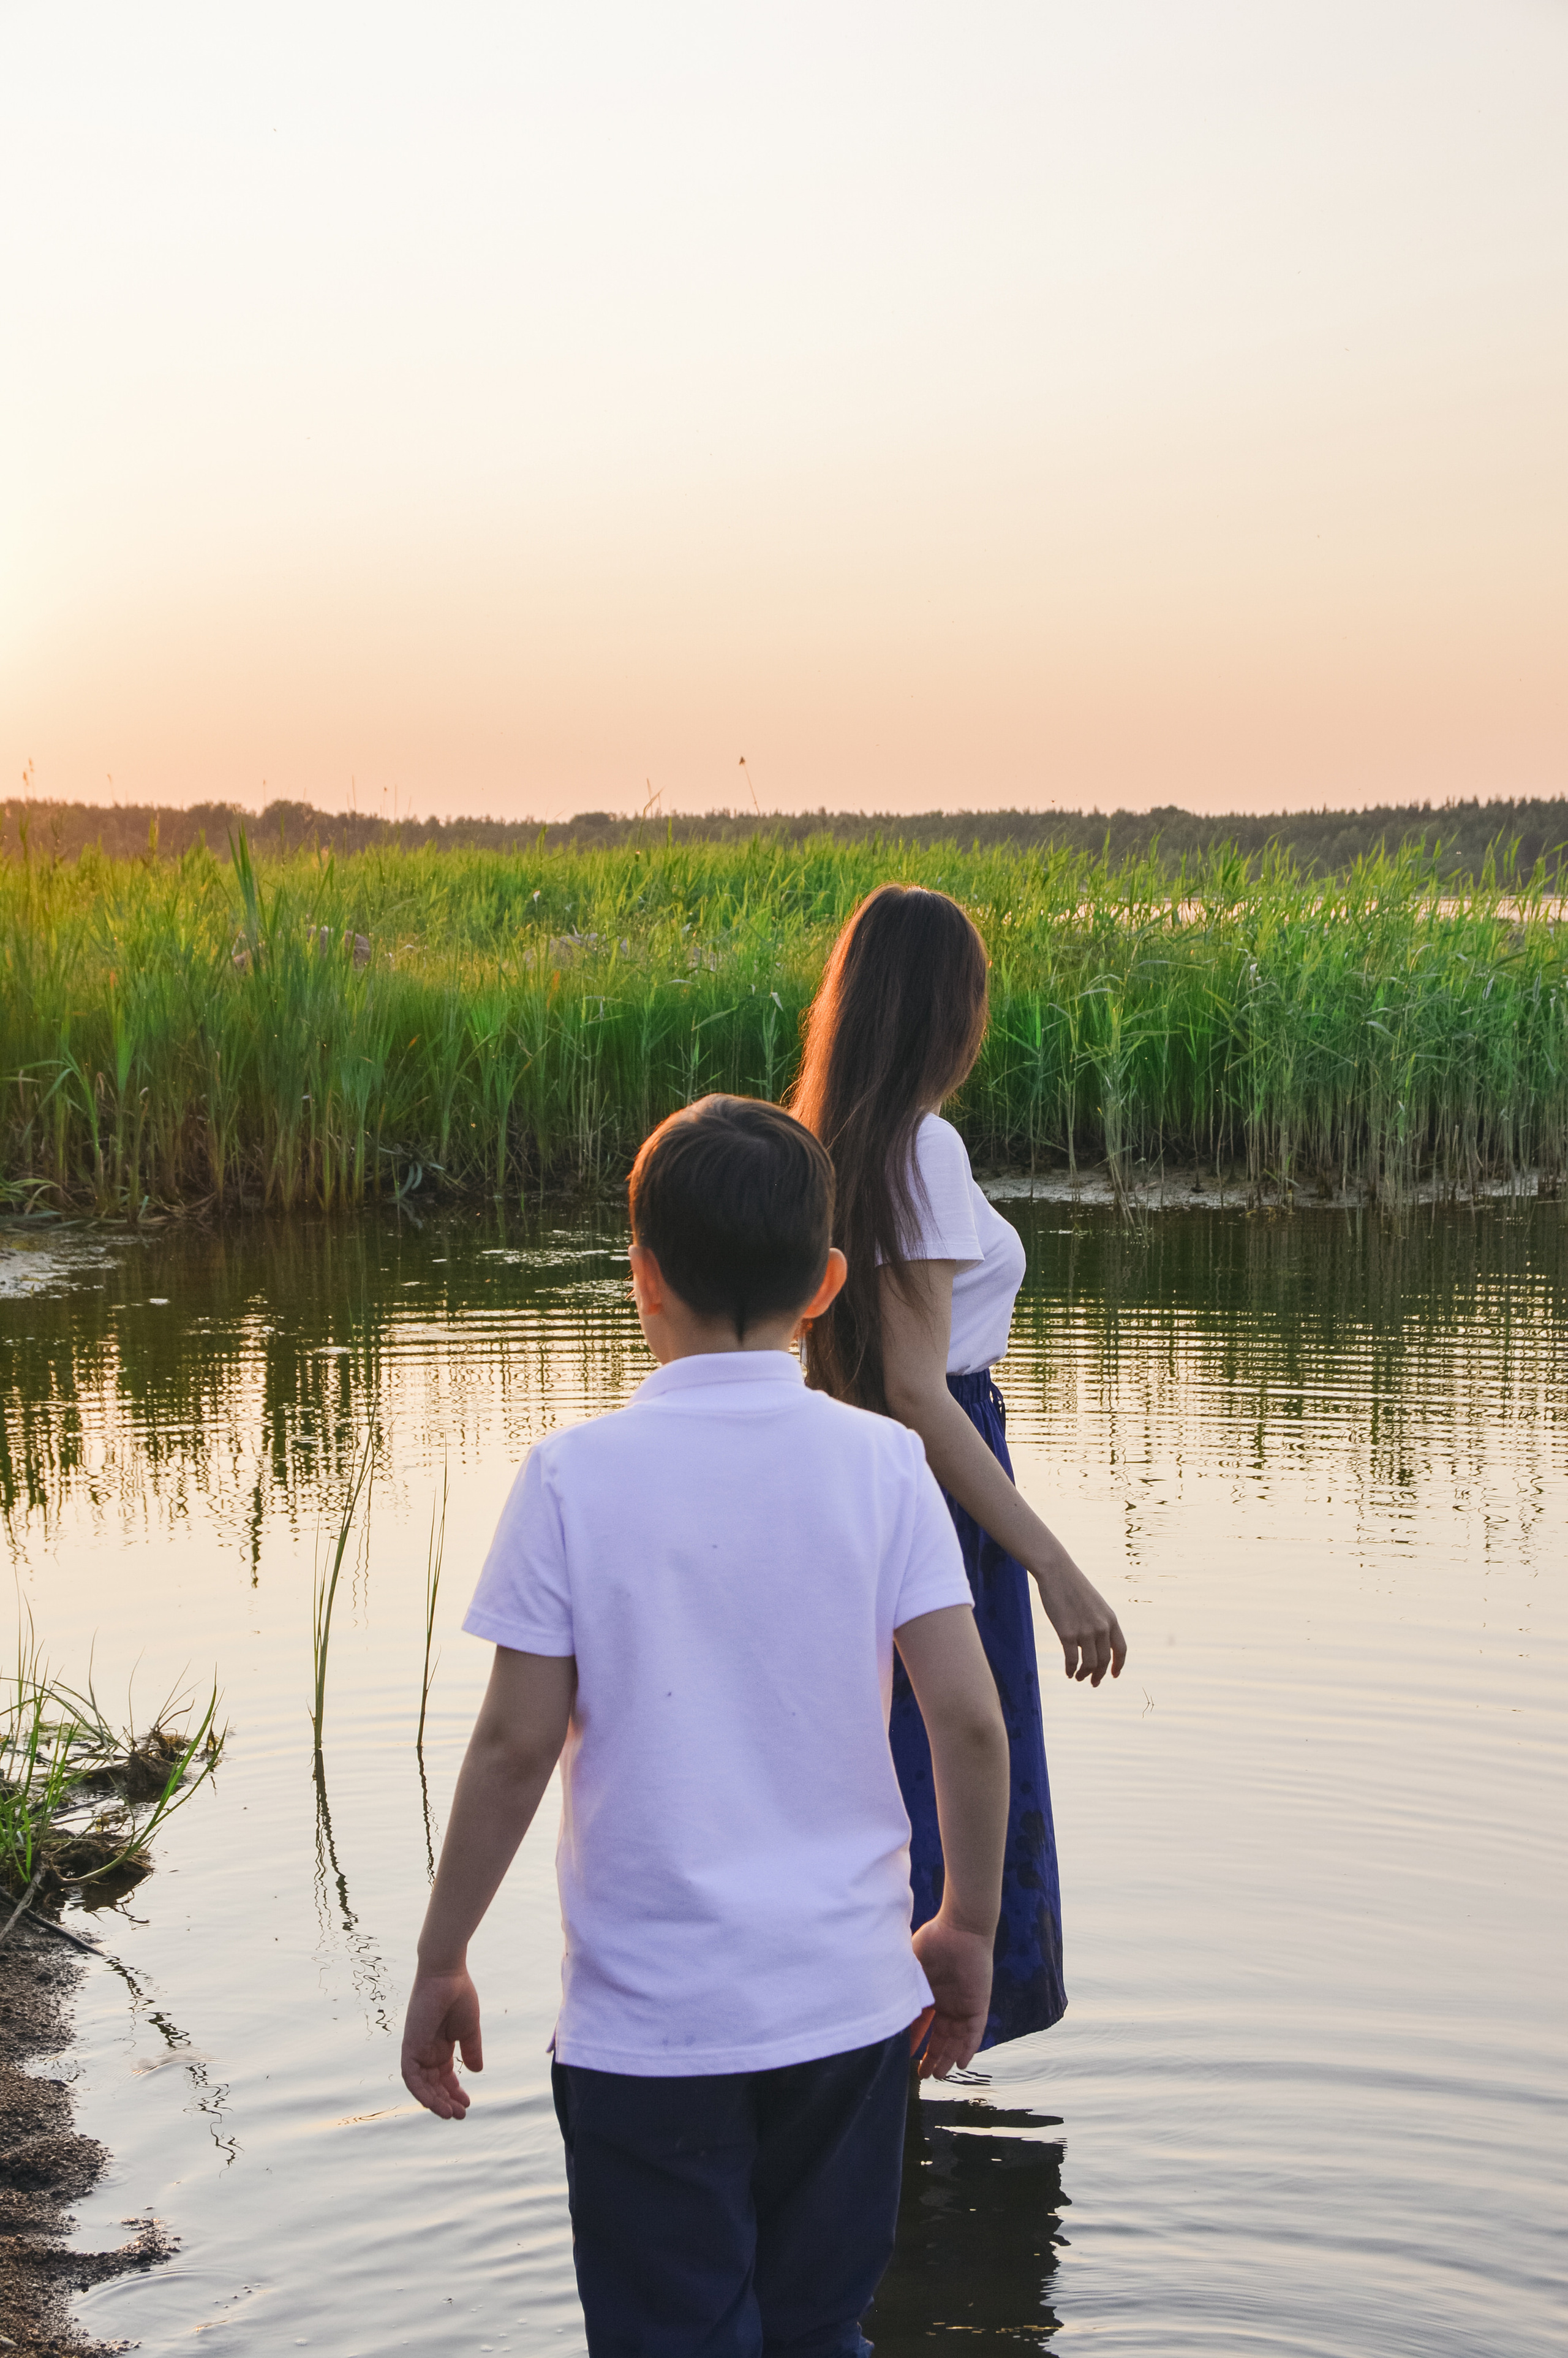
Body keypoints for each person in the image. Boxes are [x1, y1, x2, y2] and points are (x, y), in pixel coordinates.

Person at [401, 1094, 1011, 2356]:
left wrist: (441, 1953)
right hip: (845, 2008)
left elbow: (514, 1746)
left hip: (651, 2025)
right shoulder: (886, 1463)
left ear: (641, 1275)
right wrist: (965, 1923)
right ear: (828, 1282)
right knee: (818, 2326)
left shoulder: (574, 1475)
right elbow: (966, 1719)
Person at [790, 884, 1127, 2054]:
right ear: (949, 1009)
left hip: (850, 1484)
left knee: (877, 1781)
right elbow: (922, 1392)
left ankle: (873, 2104)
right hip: (940, 1483)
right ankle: (921, 2056)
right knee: (950, 1771)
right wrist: (1055, 1563)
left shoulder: (825, 1135)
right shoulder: (922, 1146)